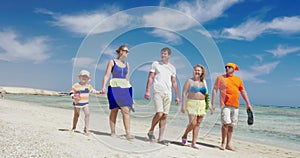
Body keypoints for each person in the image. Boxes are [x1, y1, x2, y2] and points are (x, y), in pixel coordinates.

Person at [211, 62, 253, 151]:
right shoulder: (220, 78)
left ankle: (228, 144)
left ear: (233, 69)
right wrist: (213, 103)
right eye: (226, 67)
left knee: (231, 125)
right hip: (225, 105)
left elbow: (243, 92)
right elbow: (215, 90)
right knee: (225, 124)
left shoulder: (238, 79)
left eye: (229, 67)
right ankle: (222, 143)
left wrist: (248, 104)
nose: (227, 68)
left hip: (235, 105)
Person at [144, 47, 180, 145]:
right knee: (159, 113)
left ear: (169, 55)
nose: (163, 55)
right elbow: (151, 77)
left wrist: (177, 96)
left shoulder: (172, 68)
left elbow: (174, 82)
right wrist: (147, 91)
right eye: (162, 53)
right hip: (158, 91)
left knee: (164, 116)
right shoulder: (155, 64)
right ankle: (151, 131)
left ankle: (160, 138)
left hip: (168, 93)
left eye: (165, 53)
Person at [100, 45, 134, 140]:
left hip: (125, 87)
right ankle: (113, 132)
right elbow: (107, 75)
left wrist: (129, 92)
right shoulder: (112, 62)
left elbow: (127, 78)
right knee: (114, 110)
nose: (127, 53)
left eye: (128, 51)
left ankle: (128, 134)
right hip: (114, 87)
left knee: (126, 110)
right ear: (120, 51)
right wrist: (103, 87)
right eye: (125, 51)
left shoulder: (127, 64)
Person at [181, 64, 209, 150]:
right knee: (193, 123)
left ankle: (194, 143)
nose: (197, 72)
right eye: (195, 70)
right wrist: (183, 105)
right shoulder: (189, 81)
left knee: (198, 124)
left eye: (198, 71)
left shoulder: (204, 82)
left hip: (202, 104)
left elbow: (206, 94)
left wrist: (208, 105)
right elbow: (184, 93)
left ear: (201, 72)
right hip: (192, 103)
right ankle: (185, 135)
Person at [70, 70, 100, 135]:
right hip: (77, 103)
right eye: (82, 76)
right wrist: (73, 96)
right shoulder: (76, 85)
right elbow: (71, 92)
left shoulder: (89, 86)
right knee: (76, 115)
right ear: (79, 77)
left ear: (88, 79)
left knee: (87, 114)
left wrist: (99, 92)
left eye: (86, 77)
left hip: (85, 103)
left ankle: (86, 129)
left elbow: (93, 91)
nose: (84, 78)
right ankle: (74, 127)